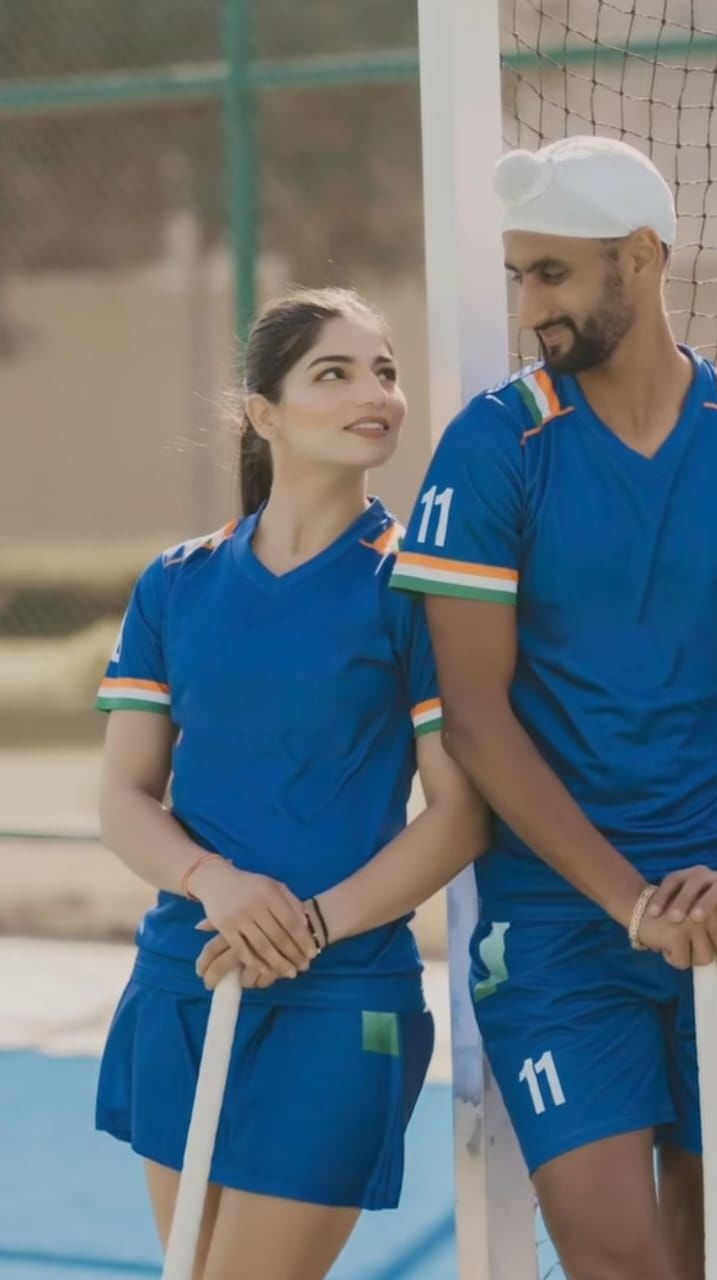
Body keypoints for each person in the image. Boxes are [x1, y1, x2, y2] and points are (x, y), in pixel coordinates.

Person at [390, 137, 717, 1280]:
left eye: (552, 273)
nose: (530, 304)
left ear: (640, 259)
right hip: (557, 921)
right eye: (520, 275)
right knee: (620, 1256)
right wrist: (633, 901)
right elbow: (474, 713)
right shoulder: (495, 448)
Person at [94, 286, 488, 1280]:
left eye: (387, 370)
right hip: (186, 980)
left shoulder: (418, 584)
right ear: (264, 413)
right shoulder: (177, 581)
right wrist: (209, 881)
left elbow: (461, 814)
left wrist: (313, 924)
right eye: (338, 371)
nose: (378, 393)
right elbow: (125, 797)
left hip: (341, 992)